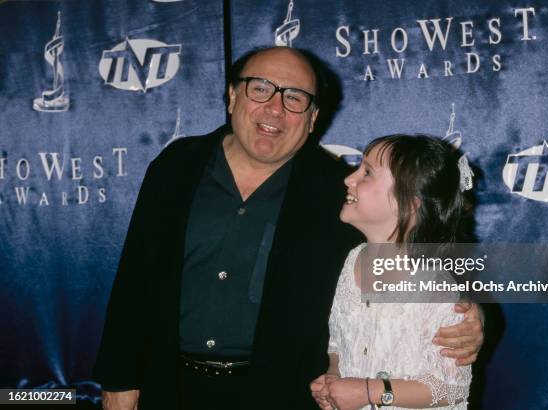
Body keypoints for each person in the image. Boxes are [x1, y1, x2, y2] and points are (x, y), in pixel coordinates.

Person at [93, 47, 484, 410]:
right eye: (260, 89)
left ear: (313, 117)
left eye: (294, 97)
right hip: (168, 387)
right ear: (232, 96)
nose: (275, 108)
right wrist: (118, 379)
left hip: (283, 395)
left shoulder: (338, 190)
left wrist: (467, 310)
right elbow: (135, 278)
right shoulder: (175, 166)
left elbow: (411, 251)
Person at [311, 135, 474, 409]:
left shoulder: (435, 288)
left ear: (410, 203)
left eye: (367, 173)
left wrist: (370, 391)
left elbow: (451, 387)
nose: (349, 179)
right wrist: (333, 377)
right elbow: (338, 343)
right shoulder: (350, 261)